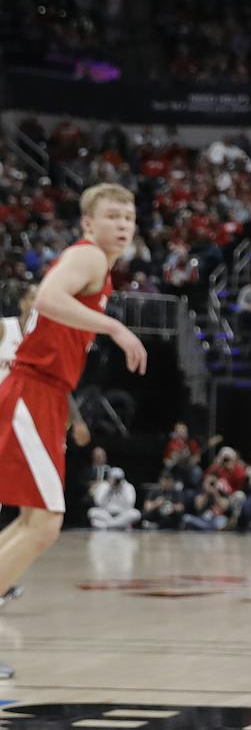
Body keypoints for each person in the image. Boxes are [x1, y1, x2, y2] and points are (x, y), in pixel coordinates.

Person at [0, 184, 146, 603]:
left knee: (32, 521)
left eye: (128, 217)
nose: (122, 224)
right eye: (112, 216)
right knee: (44, 524)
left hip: (43, 394)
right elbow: (46, 298)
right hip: (31, 390)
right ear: (88, 223)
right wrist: (115, 328)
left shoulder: (98, 269)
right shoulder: (90, 256)